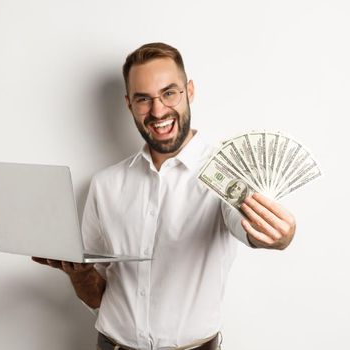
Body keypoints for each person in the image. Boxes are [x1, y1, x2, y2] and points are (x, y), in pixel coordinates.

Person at [32, 42, 297, 350]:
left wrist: (278, 236)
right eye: (144, 99)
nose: (158, 111)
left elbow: (252, 229)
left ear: (190, 91)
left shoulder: (227, 174)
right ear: (129, 104)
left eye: (169, 93)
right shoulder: (105, 185)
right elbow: (97, 296)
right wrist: (78, 275)